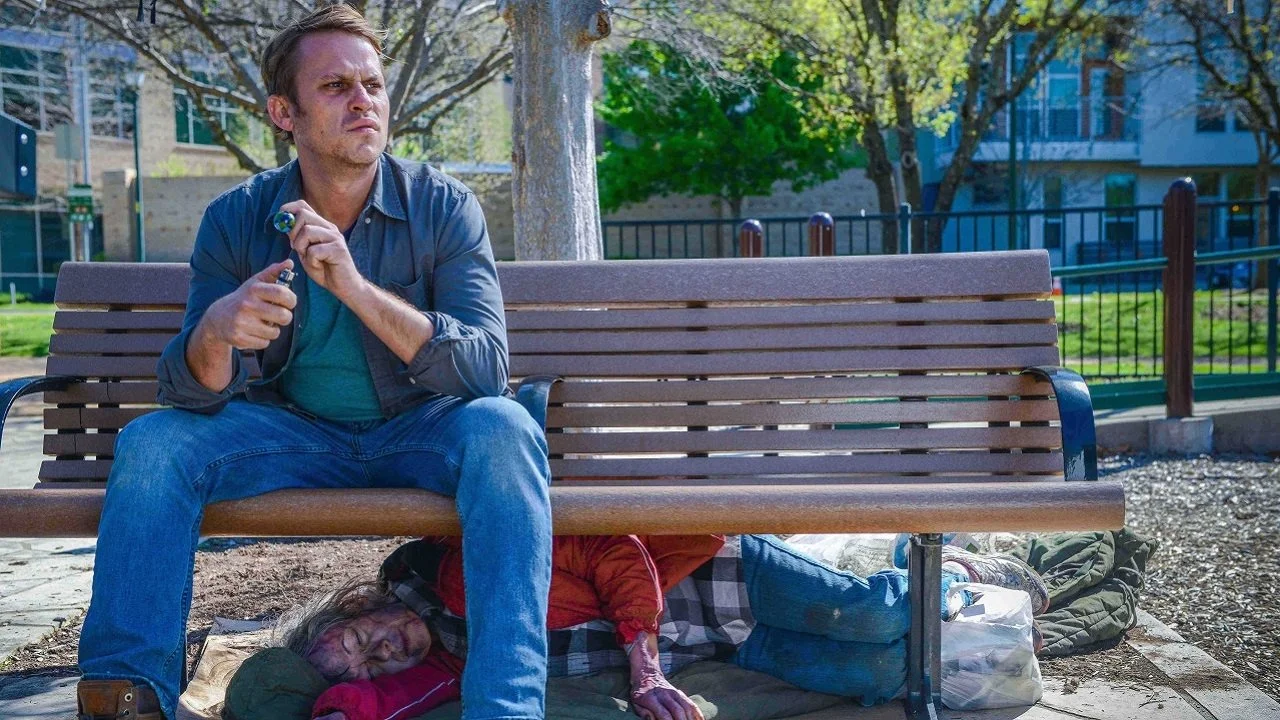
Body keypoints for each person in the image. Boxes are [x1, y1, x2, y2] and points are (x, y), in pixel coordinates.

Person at [74, 7, 552, 720]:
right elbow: (190, 391)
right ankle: (126, 697)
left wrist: (356, 288)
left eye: (372, 85)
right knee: (154, 444)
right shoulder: (238, 218)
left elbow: (485, 369)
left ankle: (505, 711)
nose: (364, 101)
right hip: (293, 435)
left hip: (422, 430)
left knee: (505, 430)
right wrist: (218, 332)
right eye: (335, 86)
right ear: (283, 113)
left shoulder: (444, 207)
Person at [272, 535, 1049, 720]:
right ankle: (966, 622)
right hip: (724, 642)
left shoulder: (457, 571)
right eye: (373, 664)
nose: (384, 652)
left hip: (717, 573)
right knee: (881, 672)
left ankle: (944, 570)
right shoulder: (453, 660)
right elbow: (385, 700)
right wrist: (346, 702)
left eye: (365, 639)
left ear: (361, 604)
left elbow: (614, 548)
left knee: (877, 613)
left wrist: (643, 670)